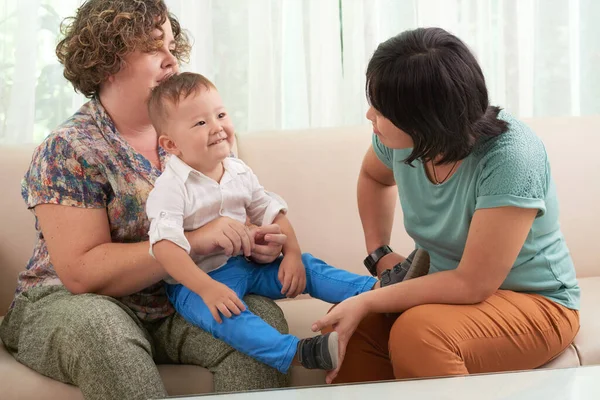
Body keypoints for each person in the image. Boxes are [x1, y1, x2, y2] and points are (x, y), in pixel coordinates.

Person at [0, 1, 293, 399]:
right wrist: (196, 240)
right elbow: (82, 273)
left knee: (259, 319)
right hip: (71, 305)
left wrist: (251, 240)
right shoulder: (69, 148)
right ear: (107, 60)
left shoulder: (198, 128)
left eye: (173, 46)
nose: (172, 61)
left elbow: (230, 213)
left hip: (173, 301)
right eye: (155, 47)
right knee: (101, 329)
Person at [312, 27, 581, 385]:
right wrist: (378, 252)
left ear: (424, 119)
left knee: (418, 333)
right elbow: (373, 177)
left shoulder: (511, 157)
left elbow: (473, 284)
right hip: (446, 291)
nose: (369, 115)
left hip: (537, 303)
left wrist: (370, 299)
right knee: (347, 329)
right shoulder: (401, 141)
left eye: (381, 107)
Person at [145, 72, 380, 374]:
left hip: (244, 265)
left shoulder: (238, 171)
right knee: (225, 317)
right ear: (171, 144)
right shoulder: (170, 188)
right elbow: (164, 248)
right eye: (201, 123)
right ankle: (302, 352)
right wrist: (207, 289)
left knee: (307, 267)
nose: (217, 127)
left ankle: (377, 290)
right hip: (196, 282)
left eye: (220, 115)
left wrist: (292, 255)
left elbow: (272, 211)